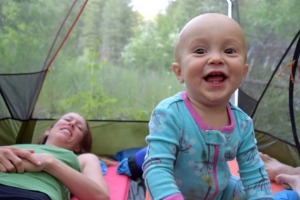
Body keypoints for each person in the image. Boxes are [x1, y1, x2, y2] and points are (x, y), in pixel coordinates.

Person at [142, 13, 273, 200]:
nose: (216, 58)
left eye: (229, 51)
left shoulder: (242, 123)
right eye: (200, 51)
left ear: (243, 73)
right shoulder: (169, 114)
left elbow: (254, 175)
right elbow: (157, 167)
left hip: (222, 192)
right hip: (173, 194)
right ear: (179, 72)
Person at [0, 112, 110, 200]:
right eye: (67, 119)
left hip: (30, 193)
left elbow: (101, 197)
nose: (71, 124)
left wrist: (49, 163)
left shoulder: (82, 158)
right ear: (48, 130)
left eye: (79, 127)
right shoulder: (16, 146)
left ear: (78, 146)